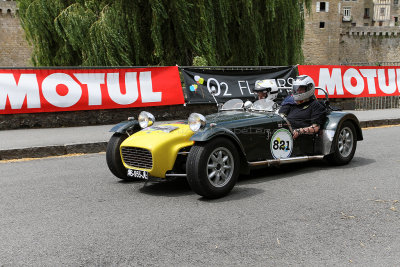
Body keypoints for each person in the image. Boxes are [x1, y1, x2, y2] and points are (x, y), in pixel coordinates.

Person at [279, 75, 326, 139]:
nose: (298, 91)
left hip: (302, 138)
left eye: (301, 89)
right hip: (284, 134)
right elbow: (279, 118)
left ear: (309, 88)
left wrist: (300, 131)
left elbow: (315, 128)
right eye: (297, 89)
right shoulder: (290, 103)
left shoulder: (315, 105)